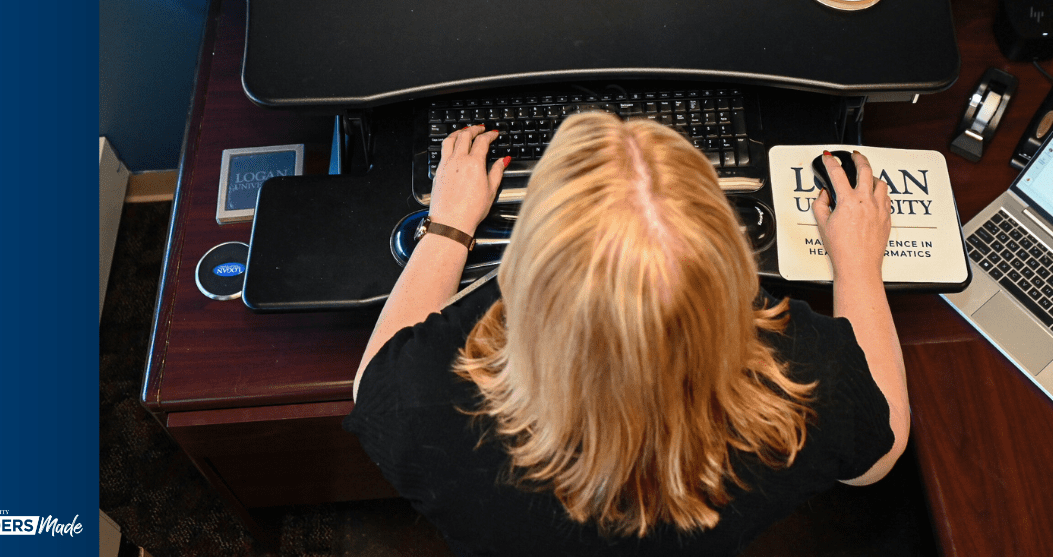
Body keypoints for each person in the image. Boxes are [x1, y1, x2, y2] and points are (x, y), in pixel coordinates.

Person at [344, 113, 909, 556]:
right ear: (730, 264)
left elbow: (373, 383)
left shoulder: (427, 404)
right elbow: (877, 461)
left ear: (528, 279)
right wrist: (859, 266)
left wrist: (448, 227)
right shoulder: (802, 382)